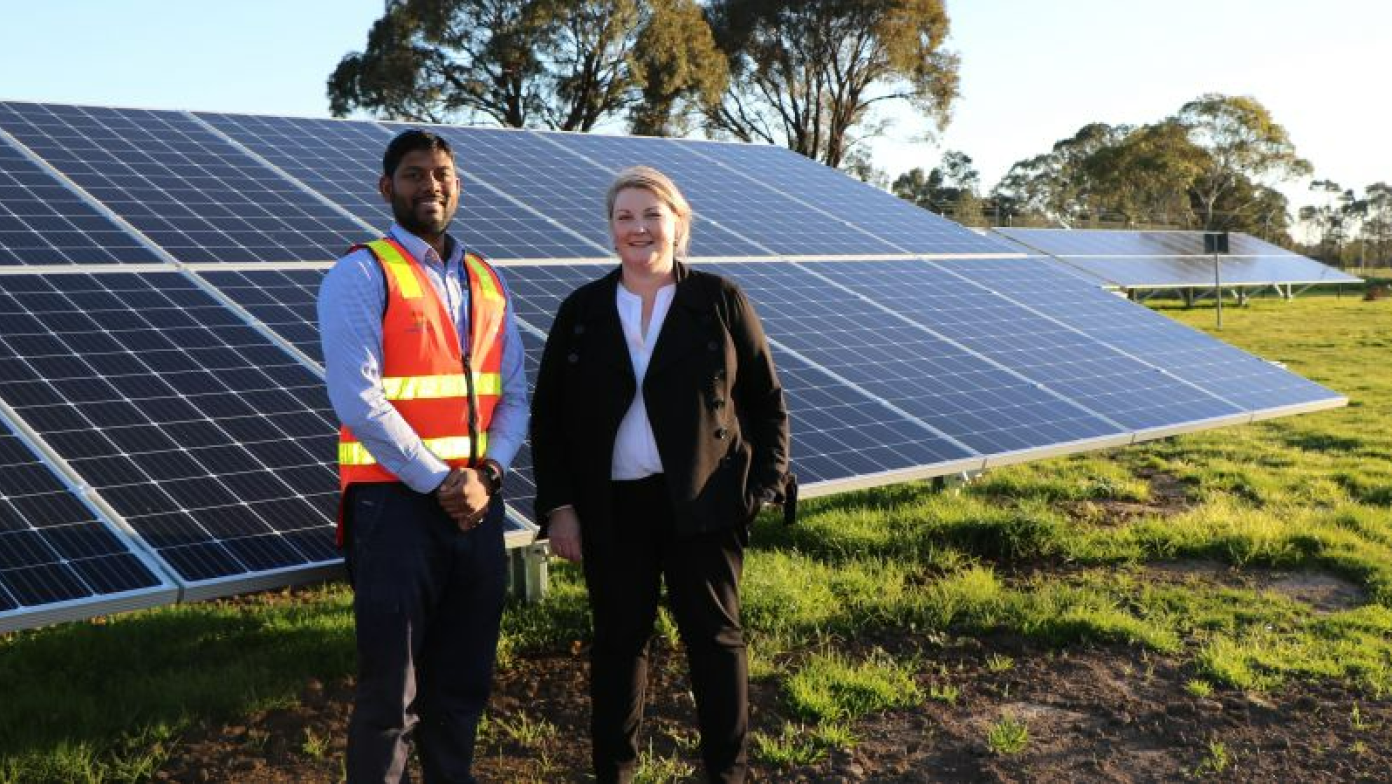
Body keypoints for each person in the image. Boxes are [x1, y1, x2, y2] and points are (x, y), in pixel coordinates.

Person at [530, 165, 792, 783]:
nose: (638, 228)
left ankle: (724, 772)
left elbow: (765, 398)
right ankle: (614, 772)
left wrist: (760, 486)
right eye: (625, 217)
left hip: (704, 504)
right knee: (619, 645)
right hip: (613, 508)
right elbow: (551, 417)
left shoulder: (718, 301)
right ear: (611, 230)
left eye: (651, 214)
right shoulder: (583, 311)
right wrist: (560, 507)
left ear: (678, 223)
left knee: (715, 640)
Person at [318, 129, 528, 784]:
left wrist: (488, 476)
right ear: (387, 188)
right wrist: (443, 481)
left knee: (461, 690)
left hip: (478, 509)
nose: (429, 186)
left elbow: (515, 395)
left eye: (441, 174)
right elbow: (359, 400)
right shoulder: (361, 273)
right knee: (391, 698)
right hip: (394, 511)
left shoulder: (487, 280)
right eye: (413, 174)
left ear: (457, 186)